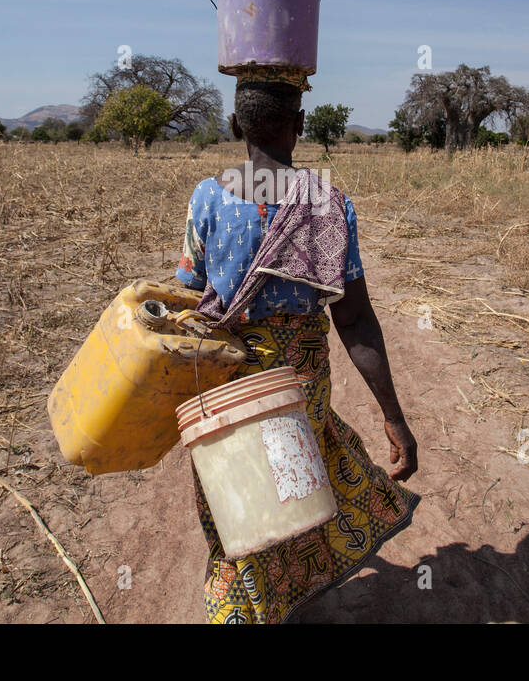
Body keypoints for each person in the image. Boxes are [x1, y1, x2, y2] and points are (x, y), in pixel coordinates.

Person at [175, 78, 421, 624]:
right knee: (293, 496)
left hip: (226, 390)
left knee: (237, 502)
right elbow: (354, 319)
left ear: (235, 126)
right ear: (301, 124)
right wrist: (394, 417)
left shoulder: (207, 199)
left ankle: (247, 610)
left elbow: (190, 296)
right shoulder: (328, 204)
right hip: (297, 391)